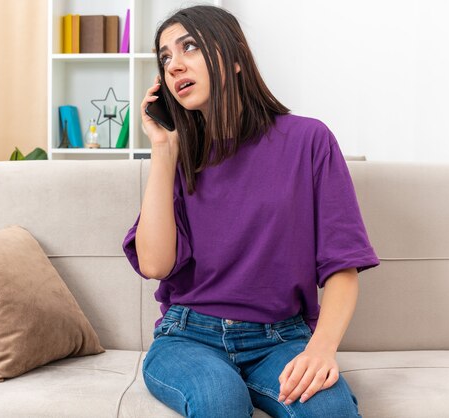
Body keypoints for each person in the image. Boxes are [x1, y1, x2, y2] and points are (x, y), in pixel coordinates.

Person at [122, 5, 380, 418]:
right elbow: (155, 264)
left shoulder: (309, 141)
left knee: (330, 410)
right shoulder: (177, 156)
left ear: (236, 57)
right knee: (220, 401)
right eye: (165, 57)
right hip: (188, 336)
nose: (174, 66)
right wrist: (163, 149)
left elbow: (342, 267)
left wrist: (321, 350)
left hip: (282, 338)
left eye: (189, 46)